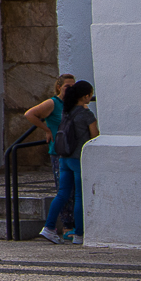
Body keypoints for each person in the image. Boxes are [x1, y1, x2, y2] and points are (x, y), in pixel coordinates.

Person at [40, 80, 97, 244]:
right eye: (90, 95)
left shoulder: (66, 110)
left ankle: (49, 227)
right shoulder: (86, 114)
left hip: (64, 157)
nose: (91, 98)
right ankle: (79, 234)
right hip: (78, 158)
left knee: (62, 194)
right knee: (79, 196)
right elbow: (95, 136)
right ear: (85, 96)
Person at [24, 73, 76, 232]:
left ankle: (73, 224)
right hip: (59, 150)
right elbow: (30, 114)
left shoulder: (74, 104)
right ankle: (66, 225)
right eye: (67, 86)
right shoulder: (53, 103)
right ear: (59, 87)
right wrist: (47, 129)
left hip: (73, 150)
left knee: (74, 189)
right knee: (64, 189)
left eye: (73, 87)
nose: (71, 89)